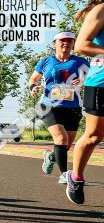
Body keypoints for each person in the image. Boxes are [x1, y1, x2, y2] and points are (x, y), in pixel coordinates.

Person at [28, 31, 88, 184]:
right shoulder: (45, 61)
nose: (66, 43)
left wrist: (82, 80)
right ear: (54, 43)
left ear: (73, 44)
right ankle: (64, 175)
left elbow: (91, 76)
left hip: (72, 107)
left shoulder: (80, 62)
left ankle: (51, 156)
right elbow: (33, 78)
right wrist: (33, 87)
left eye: (69, 41)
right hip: (48, 106)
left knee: (66, 145)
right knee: (61, 138)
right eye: (62, 40)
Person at [66, 0, 104, 204]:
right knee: (93, 136)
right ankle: (76, 176)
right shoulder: (101, 10)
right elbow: (81, 45)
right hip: (101, 83)